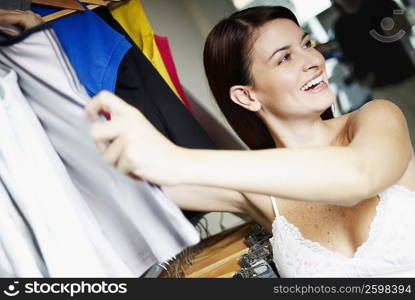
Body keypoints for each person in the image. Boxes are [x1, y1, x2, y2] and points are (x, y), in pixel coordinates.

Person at [3, 7, 415, 277]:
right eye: (285, 57)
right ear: (246, 96)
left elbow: (360, 176)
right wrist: (53, 52)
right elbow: (116, 170)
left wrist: (175, 158)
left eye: (306, 44)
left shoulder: (375, 118)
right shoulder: (255, 192)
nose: (313, 59)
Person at [332, 0, 415, 146]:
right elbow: (350, 58)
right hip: (381, 87)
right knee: (408, 131)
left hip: (407, 74)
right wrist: (362, 78)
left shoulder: (382, 4)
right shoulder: (341, 26)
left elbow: (406, 28)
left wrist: (397, 26)